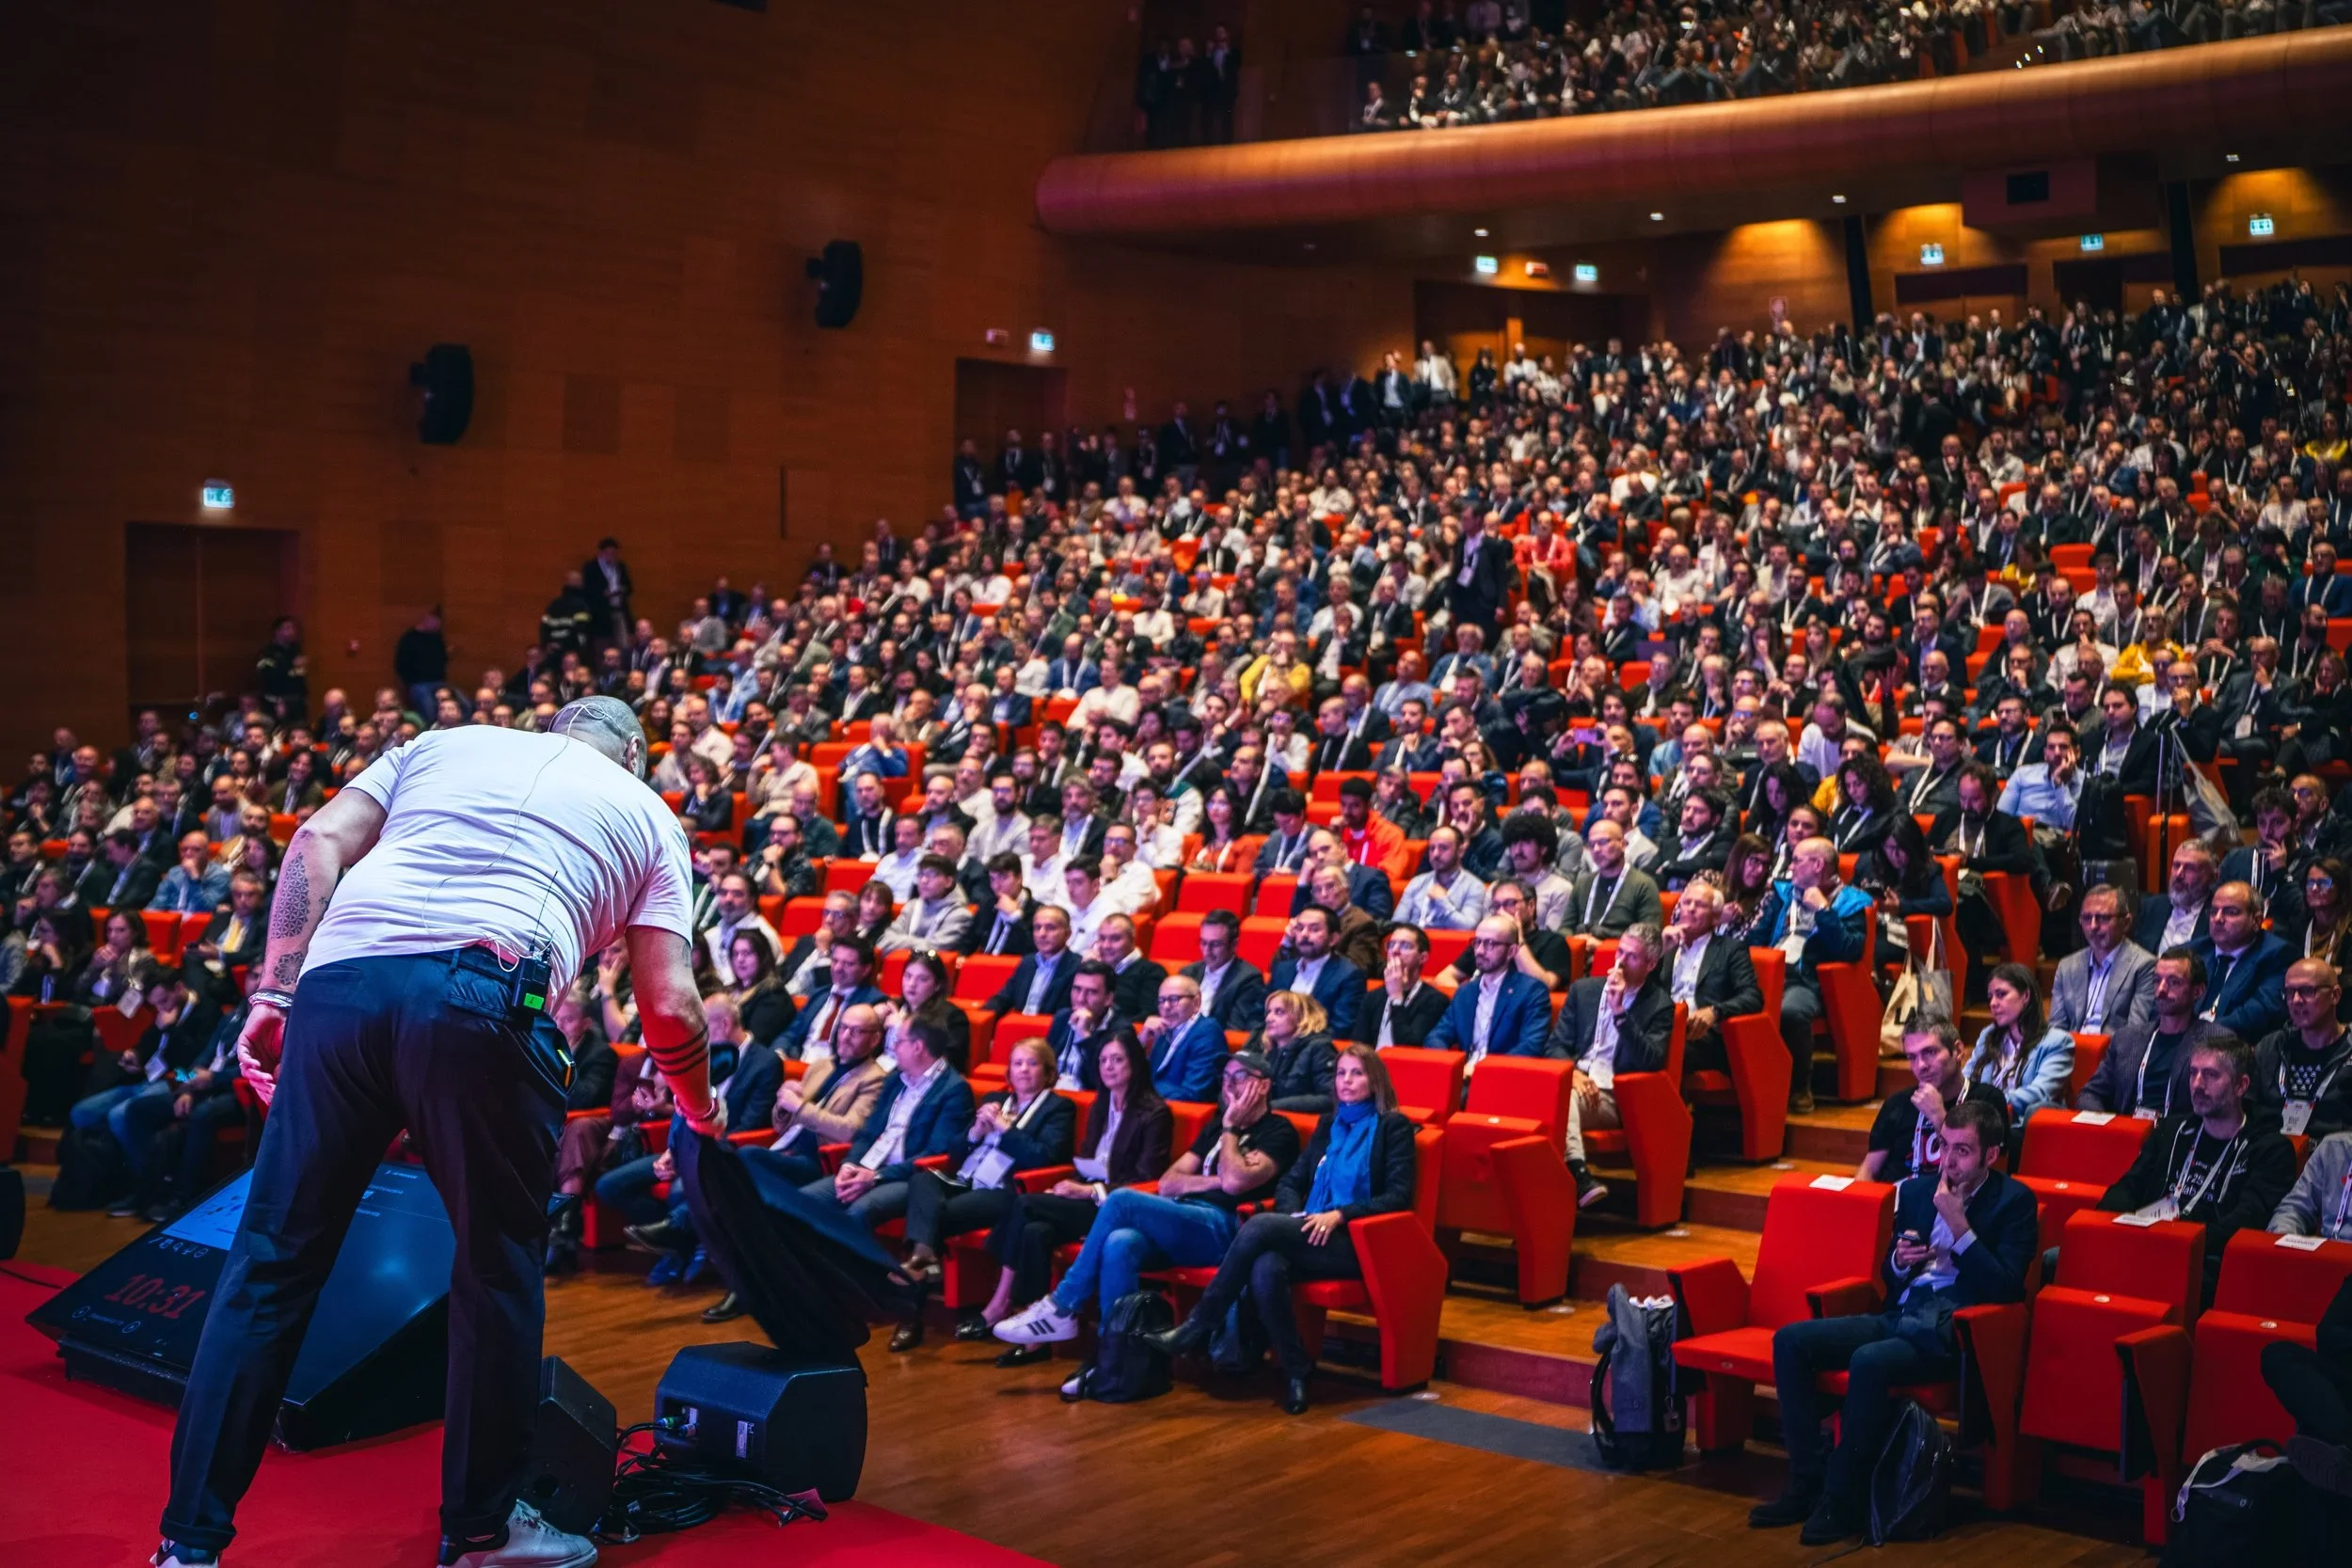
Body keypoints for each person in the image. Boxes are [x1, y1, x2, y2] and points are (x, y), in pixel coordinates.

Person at [156, 696, 714, 1568]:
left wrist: (272, 993)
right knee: (495, 1271)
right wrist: (698, 1106)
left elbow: (314, 843)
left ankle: (187, 1543)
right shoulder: (649, 814)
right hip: (482, 993)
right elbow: (669, 1003)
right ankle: (481, 1534)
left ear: (550, 727)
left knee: (268, 1262)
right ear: (635, 755)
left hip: (339, 990)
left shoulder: (443, 743)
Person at [1752, 1100, 2037, 1546]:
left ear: (1991, 1155)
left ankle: (1840, 1500)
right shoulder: (1922, 1191)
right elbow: (1890, 1273)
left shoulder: (2014, 1202)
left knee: (1868, 1361)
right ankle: (1805, 1481)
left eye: (1963, 1151)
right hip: (1901, 1313)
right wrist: (1900, 1263)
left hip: (1953, 1332)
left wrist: (1960, 1229)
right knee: (1791, 1341)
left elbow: (2006, 1288)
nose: (1950, 1161)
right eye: (1945, 1147)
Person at [1145, 1045, 1417, 1415]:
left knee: (1258, 1225)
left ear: (1375, 1080)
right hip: (1311, 1232)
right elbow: (1292, 1181)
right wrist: (1294, 1217)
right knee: (1266, 1266)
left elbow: (1399, 1196)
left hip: (1359, 1241)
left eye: (1356, 1073)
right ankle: (1296, 1372)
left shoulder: (1393, 1127)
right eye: (1341, 1074)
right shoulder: (1328, 1125)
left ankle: (1198, 1326)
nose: (1347, 1081)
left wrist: (1340, 1214)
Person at [992, 1051, 1301, 1364]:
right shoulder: (1214, 1127)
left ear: (1263, 1086)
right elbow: (1169, 1182)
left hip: (1225, 1230)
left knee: (1121, 1200)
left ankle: (1063, 1304)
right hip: (1182, 1215)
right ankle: (1114, 1356)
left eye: (1240, 1077)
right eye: (1225, 1077)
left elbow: (1235, 1185)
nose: (1229, 1085)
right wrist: (1217, 1178)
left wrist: (1232, 1131)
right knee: (1119, 1242)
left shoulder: (1278, 1131)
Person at [972, 1032, 1173, 1356]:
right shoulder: (1101, 1104)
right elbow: (1087, 1162)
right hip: (1086, 1197)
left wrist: (1087, 1190)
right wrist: (1067, 1187)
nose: (1108, 1066)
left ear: (1135, 1063)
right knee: (1035, 1231)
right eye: (1103, 1060)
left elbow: (1147, 1178)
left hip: (1117, 1207)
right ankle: (1036, 1336)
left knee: (1024, 1204)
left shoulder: (1154, 1113)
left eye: (1117, 1059)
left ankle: (1001, 1300)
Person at [890, 1037, 1076, 1350]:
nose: (1023, 1070)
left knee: (930, 1219)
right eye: (1017, 1063)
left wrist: (1005, 1130)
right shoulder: (994, 1099)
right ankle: (924, 1257)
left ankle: (911, 1311)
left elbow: (1044, 1157)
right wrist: (976, 1131)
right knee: (922, 1182)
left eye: (1032, 1063)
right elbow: (954, 1153)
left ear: (1048, 1072)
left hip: (1005, 1191)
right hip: (966, 1179)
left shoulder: (1057, 1108)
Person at [2092, 1035, 2298, 1303]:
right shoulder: (2171, 1130)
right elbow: (2130, 1186)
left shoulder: (2268, 1149)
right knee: (2060, 1259)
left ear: (2241, 1085)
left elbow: (2246, 1221)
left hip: (2204, 1259)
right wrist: (2113, 1226)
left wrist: (2180, 1240)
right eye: (2193, 1073)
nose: (2197, 1085)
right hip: (2145, 1241)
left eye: (2211, 1075)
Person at [796, 1019, 976, 1233]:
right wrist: (849, 1165)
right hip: (868, 1168)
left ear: (917, 1047)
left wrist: (877, 1177)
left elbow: (936, 1154)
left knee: (859, 1211)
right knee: (802, 1201)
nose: (893, 1048)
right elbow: (867, 1133)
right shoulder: (894, 1080)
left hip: (907, 1178)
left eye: (898, 1042)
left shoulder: (954, 1090)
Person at [1547, 921, 1674, 1209]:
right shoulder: (1584, 990)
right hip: (1577, 1082)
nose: (1621, 962)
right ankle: (1565, 1186)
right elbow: (1556, 1045)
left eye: (1632, 957)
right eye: (1620, 952)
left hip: (1615, 1095)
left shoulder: (1659, 1005)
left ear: (1651, 964)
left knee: (1559, 1100)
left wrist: (1619, 1013)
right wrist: (1574, 1074)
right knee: (1547, 1099)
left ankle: (1577, 1175)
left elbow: (1651, 1060)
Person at [1750, 835, 1872, 1113]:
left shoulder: (1853, 901)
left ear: (1818, 865)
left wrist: (1824, 910)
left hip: (1809, 979)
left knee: (1790, 1011)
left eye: (1796, 860)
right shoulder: (1782, 894)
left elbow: (1850, 950)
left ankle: (1799, 1087)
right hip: (1769, 971)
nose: (1789, 867)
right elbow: (1757, 939)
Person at [2076, 948, 2229, 1121]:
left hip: (2179, 1140)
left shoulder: (2217, 1042)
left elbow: (2227, 1107)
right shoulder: (2127, 1038)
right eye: (2157, 981)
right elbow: (2089, 1094)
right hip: (2127, 1134)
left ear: (2198, 991)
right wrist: (2109, 1126)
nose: (2161, 990)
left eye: (2174, 982)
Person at [1860, 1020, 2012, 1183]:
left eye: (1930, 1052)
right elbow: (1869, 1170)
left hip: (1956, 1202)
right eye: (1912, 1057)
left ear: (1958, 1051)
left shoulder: (1987, 1100)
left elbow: (1992, 1178)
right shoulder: (1897, 1103)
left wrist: (1939, 1117)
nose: (1921, 1065)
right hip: (1897, 1200)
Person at [1423, 912, 1554, 1072]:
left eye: (1490, 944)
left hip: (1503, 1076)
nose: (1479, 950)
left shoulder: (1531, 991)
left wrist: (1484, 1070)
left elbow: (1531, 1045)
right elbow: (1436, 1036)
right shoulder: (1465, 992)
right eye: (1477, 942)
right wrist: (1452, 1067)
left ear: (1512, 951)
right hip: (1463, 1073)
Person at [1658, 880, 1760, 1075]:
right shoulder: (1666, 945)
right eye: (1686, 902)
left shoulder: (1730, 950)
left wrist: (1715, 1011)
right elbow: (1641, 991)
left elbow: (1752, 996)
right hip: (1662, 1027)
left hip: (1701, 1035)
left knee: (1661, 1051)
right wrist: (1660, 952)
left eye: (1700, 905)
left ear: (1715, 918)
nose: (1691, 909)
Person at [2250, 958, 2352, 1142]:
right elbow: (2248, 1110)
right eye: (2290, 992)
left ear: (2335, 995)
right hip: (2270, 1155)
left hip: (2334, 1160)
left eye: (2307, 991)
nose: (2296, 1000)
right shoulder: (2271, 1047)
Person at [1967, 962, 2075, 1128]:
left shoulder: (2057, 1042)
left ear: (2025, 996)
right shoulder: (1988, 1034)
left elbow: (2040, 1093)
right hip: (1981, 1123)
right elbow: (1967, 1077)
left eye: (2001, 994)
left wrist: (1987, 1100)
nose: (1993, 1003)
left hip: (2021, 1125)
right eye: (1990, 997)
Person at [2045, 885, 2155, 1039]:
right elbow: (2056, 1028)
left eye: (2103, 918)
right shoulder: (2067, 966)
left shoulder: (2144, 966)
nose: (2093, 926)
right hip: (2071, 1053)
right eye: (2086, 918)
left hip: (2112, 1056)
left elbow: (2134, 1033)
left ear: (2126, 922)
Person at [2192, 880, 2294, 1043]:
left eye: (2231, 912)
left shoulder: (2277, 954)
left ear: (2256, 920)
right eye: (2213, 911)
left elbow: (2261, 1011)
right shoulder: (2194, 952)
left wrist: (2200, 1033)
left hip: (2236, 1046)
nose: (2218, 919)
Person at [1267, 904, 1365, 1038]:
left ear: (1333, 939)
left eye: (1314, 929)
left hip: (1315, 1051)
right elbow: (1260, 1014)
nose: (1304, 934)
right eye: (1299, 928)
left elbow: (1341, 1028)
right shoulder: (1282, 969)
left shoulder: (1349, 975)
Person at [1134, 973, 1228, 1102]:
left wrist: (1143, 1092)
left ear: (1196, 1002)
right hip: (1156, 1105)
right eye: (1161, 1001)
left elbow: (1195, 1091)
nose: (1166, 1007)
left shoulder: (1207, 1031)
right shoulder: (1163, 1031)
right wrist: (1141, 1041)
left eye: (1173, 999)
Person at [1563, 818, 1662, 939]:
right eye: (1591, 844)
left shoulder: (1644, 885)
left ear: (1623, 844)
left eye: (1603, 842)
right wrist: (1573, 942)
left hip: (1619, 953)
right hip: (1582, 950)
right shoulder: (1582, 883)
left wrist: (1603, 943)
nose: (1596, 849)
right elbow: (1565, 927)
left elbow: (1649, 937)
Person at [1357, 922, 1449, 1049]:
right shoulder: (1372, 997)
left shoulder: (1434, 1001)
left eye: (1405, 946)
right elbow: (1357, 1047)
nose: (1394, 951)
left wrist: (1396, 999)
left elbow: (1409, 1047)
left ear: (1423, 957)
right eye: (1391, 945)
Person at [982, 902, 1079, 1020]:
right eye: (1037, 928)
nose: (1042, 934)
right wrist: (982, 1016)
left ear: (1067, 934)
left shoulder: (1077, 968)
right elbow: (1003, 998)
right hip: (1020, 1028)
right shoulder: (1027, 963)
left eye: (1050, 928)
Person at [1182, 908, 1268, 1034]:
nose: (1207, 951)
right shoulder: (1188, 973)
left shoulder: (1248, 979)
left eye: (1215, 944)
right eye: (1203, 943)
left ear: (1234, 945)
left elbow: (1235, 1029)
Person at [1255, 988, 1338, 1113]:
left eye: (1279, 1012)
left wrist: (1271, 1106)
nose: (1269, 1018)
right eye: (1268, 1012)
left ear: (1302, 1018)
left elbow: (1330, 1098)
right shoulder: (1265, 1049)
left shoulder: (1319, 1048)